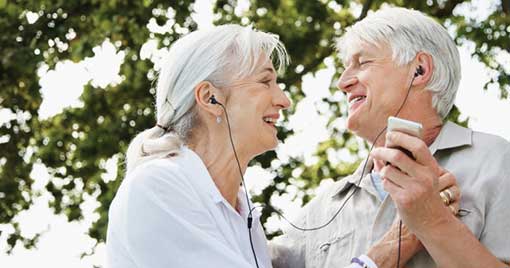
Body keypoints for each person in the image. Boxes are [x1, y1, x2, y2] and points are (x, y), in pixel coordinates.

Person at [105, 23, 460, 268]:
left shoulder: (242, 211)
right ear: (211, 98)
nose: (284, 100)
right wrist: (391, 248)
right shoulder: (157, 187)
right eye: (265, 82)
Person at [270, 7, 510, 268]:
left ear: (419, 69)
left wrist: (435, 222)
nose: (343, 82)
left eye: (362, 63)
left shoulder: (497, 161)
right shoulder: (322, 208)